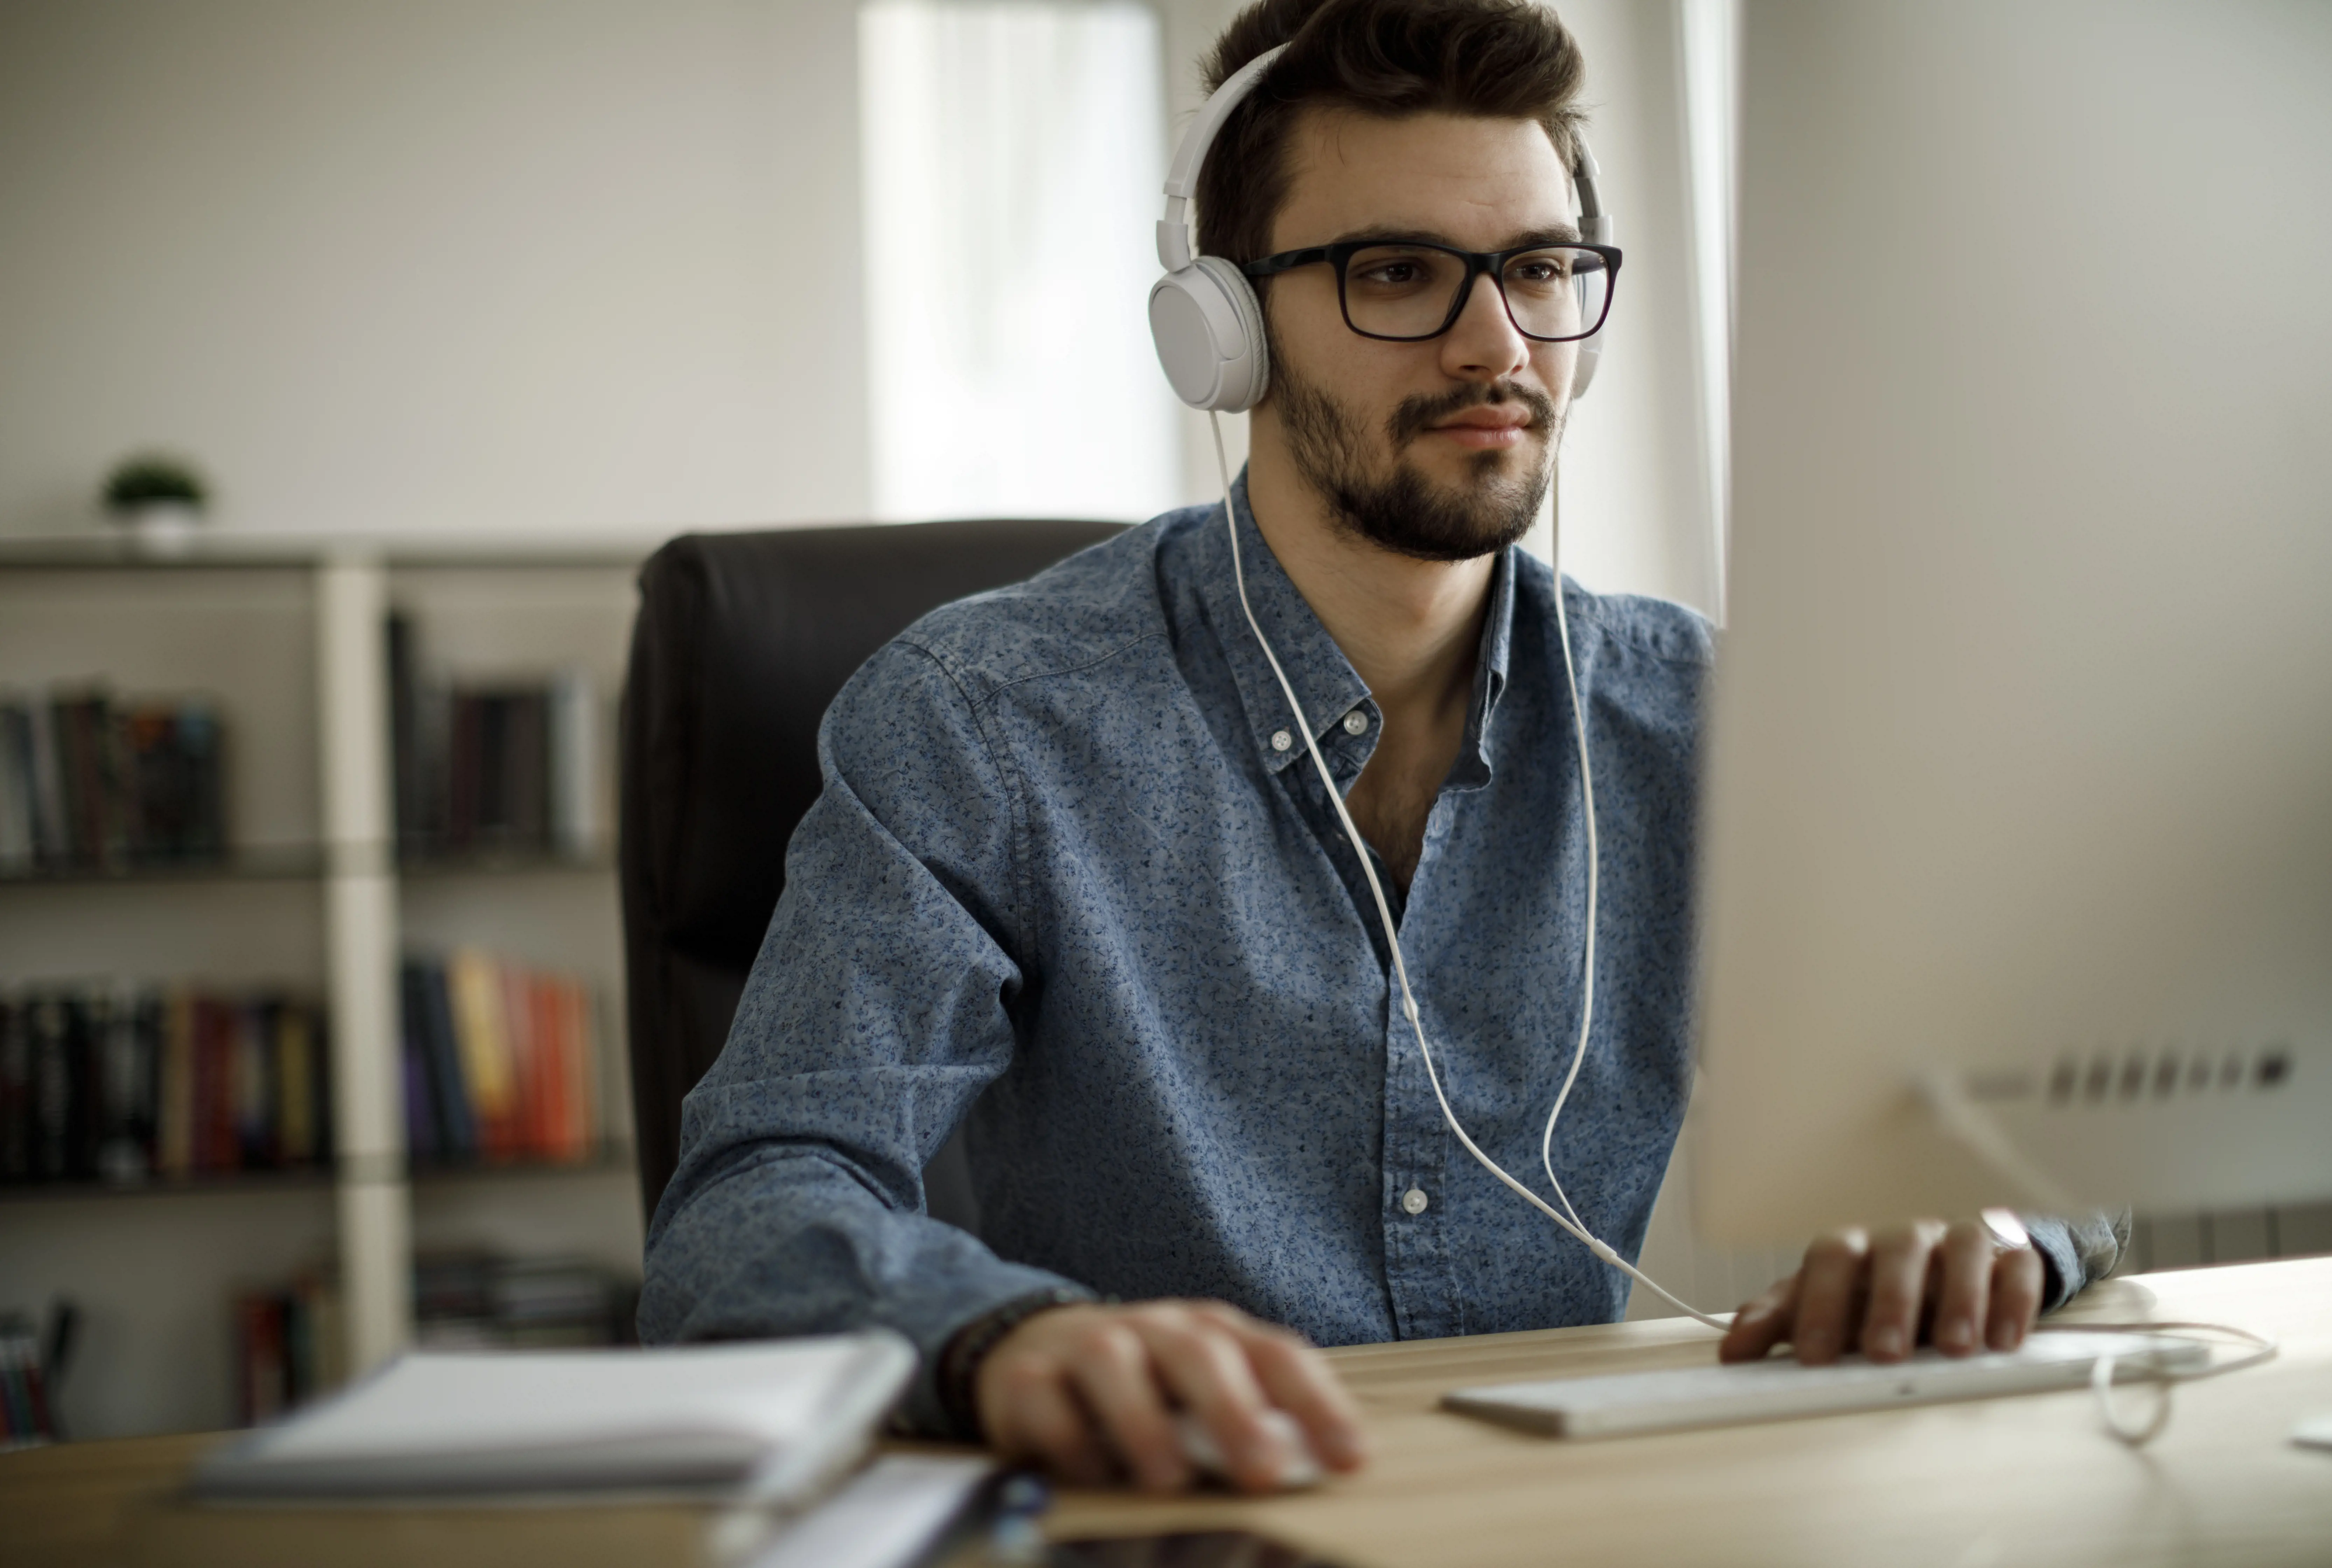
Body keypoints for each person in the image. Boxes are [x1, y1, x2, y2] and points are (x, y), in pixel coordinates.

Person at [639, 0, 2125, 1495]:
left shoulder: (1703, 719)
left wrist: (1991, 1221)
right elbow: (748, 1208)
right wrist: (992, 1341)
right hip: (1189, 1515)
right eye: (1397, 273)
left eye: (1541, 270)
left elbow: (2035, 1122)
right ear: (1221, 329)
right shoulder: (981, 721)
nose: (1499, 345)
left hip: (1578, 1520)